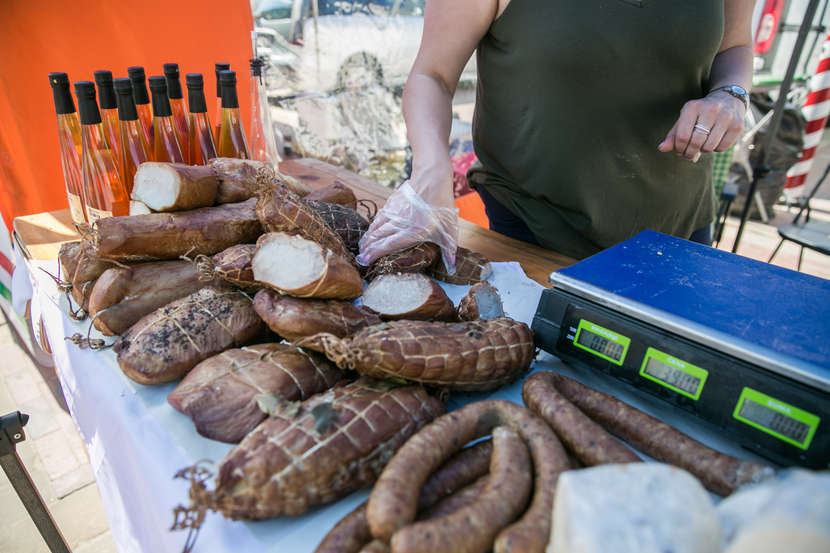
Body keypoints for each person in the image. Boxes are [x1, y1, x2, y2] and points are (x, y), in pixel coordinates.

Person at [357, 0, 755, 267]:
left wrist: (731, 94)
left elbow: (734, 45)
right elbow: (433, 75)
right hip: (533, 222)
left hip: (679, 224)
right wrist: (431, 170)